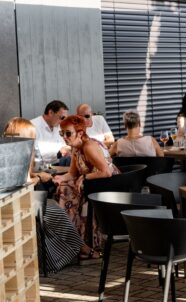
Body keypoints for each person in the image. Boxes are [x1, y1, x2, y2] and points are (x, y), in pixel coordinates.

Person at [4, 117, 84, 271]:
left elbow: (20, 179)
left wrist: (36, 174)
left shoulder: (9, 152)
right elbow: (21, 185)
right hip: (19, 204)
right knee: (55, 211)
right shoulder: (20, 153)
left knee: (53, 208)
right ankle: (79, 249)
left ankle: (73, 250)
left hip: (17, 202)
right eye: (32, 135)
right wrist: (40, 177)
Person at [53, 115, 119, 256]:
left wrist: (84, 177)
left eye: (68, 133)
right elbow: (72, 174)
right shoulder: (76, 148)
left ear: (80, 133)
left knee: (66, 193)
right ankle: (74, 242)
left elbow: (106, 172)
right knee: (62, 187)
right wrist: (59, 178)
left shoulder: (88, 146)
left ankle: (76, 243)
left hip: (110, 186)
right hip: (93, 186)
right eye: (62, 133)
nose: (64, 137)